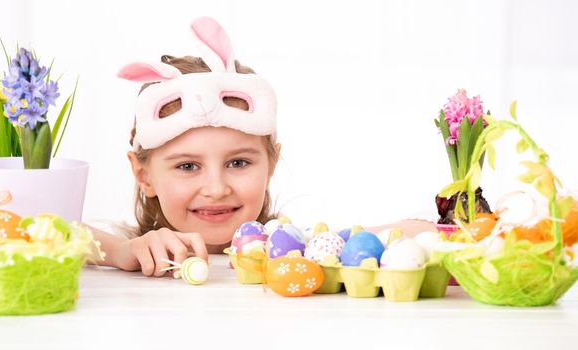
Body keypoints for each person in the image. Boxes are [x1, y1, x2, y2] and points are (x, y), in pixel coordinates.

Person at [89, 17, 434, 277]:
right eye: (188, 166)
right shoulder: (129, 251)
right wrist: (121, 251)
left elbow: (426, 233)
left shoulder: (294, 248)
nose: (216, 188)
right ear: (143, 175)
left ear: (270, 164)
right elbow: (42, 230)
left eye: (238, 163)